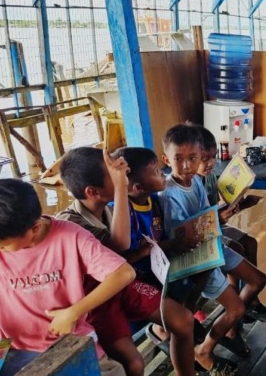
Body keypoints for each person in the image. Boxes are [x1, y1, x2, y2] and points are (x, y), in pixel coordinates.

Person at [0, 178, 134, 376]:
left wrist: (73, 312)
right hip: (16, 352)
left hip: (72, 343)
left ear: (34, 228)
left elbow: (123, 273)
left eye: (2, 246)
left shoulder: (71, 237)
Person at [57, 147, 196, 376]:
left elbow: (117, 253)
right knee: (134, 364)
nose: (125, 178)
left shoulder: (106, 209)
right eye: (115, 176)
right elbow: (119, 243)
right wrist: (122, 186)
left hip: (123, 283)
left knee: (183, 320)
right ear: (93, 192)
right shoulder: (71, 224)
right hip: (97, 298)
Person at [159, 124, 246, 374]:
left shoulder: (196, 183)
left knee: (243, 263)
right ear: (166, 159)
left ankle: (205, 344)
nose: (187, 165)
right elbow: (181, 237)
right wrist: (217, 221)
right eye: (179, 159)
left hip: (206, 250)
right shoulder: (169, 194)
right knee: (236, 308)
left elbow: (202, 216)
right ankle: (204, 350)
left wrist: (221, 215)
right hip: (191, 260)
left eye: (192, 159)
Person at [195, 125, 266, 323]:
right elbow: (200, 223)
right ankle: (236, 314)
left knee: (250, 243)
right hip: (204, 237)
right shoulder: (188, 186)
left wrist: (241, 204)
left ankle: (249, 302)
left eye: (213, 157)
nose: (211, 163)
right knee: (238, 247)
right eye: (204, 159)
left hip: (215, 228)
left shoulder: (210, 178)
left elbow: (217, 210)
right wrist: (220, 215)